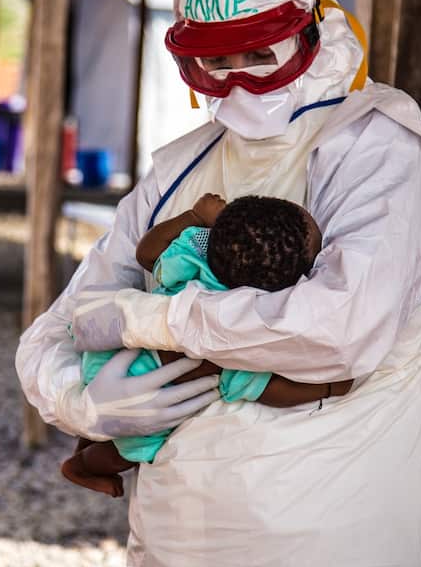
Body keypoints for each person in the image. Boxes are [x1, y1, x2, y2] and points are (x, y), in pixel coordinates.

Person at [17, 0, 421, 567]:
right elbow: (54, 332)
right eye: (211, 66)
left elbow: (339, 328)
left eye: (258, 55)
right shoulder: (178, 171)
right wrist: (86, 401)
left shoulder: (379, 151)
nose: (234, 85)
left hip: (339, 562)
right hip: (184, 564)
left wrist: (155, 318)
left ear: (313, 29)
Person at [62, 192, 352, 498]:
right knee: (131, 448)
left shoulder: (194, 258)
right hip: (139, 396)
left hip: (107, 355)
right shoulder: (243, 334)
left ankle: (87, 439)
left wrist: (194, 217)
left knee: (100, 422)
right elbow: (267, 390)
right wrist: (326, 389)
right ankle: (85, 466)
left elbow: (146, 253)